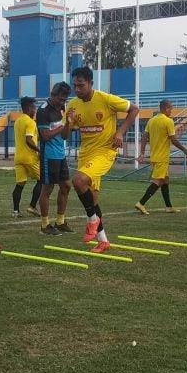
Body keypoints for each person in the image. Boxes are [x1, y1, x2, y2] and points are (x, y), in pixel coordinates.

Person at [65, 66, 139, 253]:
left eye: (81, 85)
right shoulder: (72, 105)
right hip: (86, 154)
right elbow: (65, 135)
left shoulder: (105, 99)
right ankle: (103, 241)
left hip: (105, 151)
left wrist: (120, 132)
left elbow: (134, 109)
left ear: (91, 83)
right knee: (92, 199)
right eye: (75, 86)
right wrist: (68, 122)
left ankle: (92, 220)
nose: (77, 89)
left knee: (78, 181)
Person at [135, 100, 187, 214]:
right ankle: (141, 203)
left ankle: (168, 207)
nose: (171, 111)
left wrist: (142, 153)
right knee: (158, 181)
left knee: (165, 180)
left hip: (154, 156)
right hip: (162, 157)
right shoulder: (168, 121)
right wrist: (185, 150)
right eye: (171, 109)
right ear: (166, 109)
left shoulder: (151, 120)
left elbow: (144, 137)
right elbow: (173, 140)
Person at [35, 82, 74, 236]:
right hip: (48, 155)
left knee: (66, 186)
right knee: (48, 188)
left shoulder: (62, 108)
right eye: (60, 99)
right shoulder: (43, 111)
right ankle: (45, 225)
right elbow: (45, 136)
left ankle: (60, 221)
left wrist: (68, 124)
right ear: (52, 95)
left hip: (60, 154)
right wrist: (62, 125)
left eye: (64, 99)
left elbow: (64, 136)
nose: (62, 102)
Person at [11, 97, 42, 218]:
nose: (35, 110)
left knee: (20, 184)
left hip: (18, 157)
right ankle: (32, 206)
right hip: (29, 157)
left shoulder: (18, 121)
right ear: (29, 108)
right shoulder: (30, 122)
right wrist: (39, 150)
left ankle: (15, 211)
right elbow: (28, 140)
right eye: (34, 108)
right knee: (42, 180)